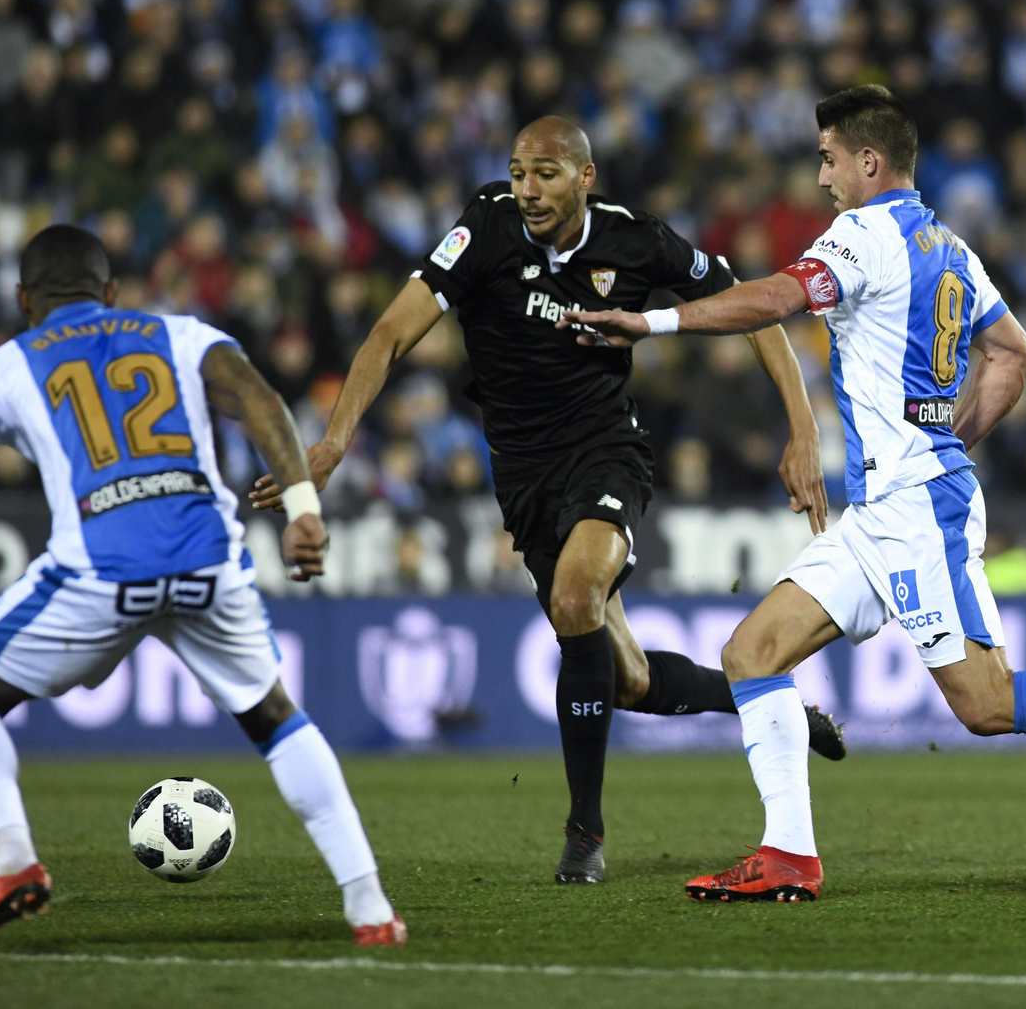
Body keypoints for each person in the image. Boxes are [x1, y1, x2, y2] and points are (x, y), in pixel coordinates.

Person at [566, 86, 1026, 904]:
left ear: (868, 161)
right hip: (883, 507)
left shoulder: (863, 234)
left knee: (986, 706)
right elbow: (1014, 355)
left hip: (915, 507)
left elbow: (775, 297)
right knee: (751, 654)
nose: (821, 177)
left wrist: (653, 324)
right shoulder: (948, 245)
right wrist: (946, 441)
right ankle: (787, 855)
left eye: (829, 158)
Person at [253, 117, 846, 885]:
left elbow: (752, 305)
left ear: (585, 177)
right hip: (524, 477)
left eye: (545, 174)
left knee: (576, 598)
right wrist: (333, 441)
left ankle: (584, 831)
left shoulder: (636, 242)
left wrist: (801, 427)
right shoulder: (486, 227)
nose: (527, 190)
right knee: (626, 679)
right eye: (518, 172)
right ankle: (780, 710)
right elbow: (391, 334)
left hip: (607, 452)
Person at [0, 225, 405, 955]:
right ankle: (371, 908)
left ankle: (11, 861)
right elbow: (260, 398)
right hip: (207, 557)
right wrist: (303, 508)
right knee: (274, 714)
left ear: (22, 299)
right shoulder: (182, 333)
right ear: (112, 292)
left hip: (98, 572)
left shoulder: (4, 366)